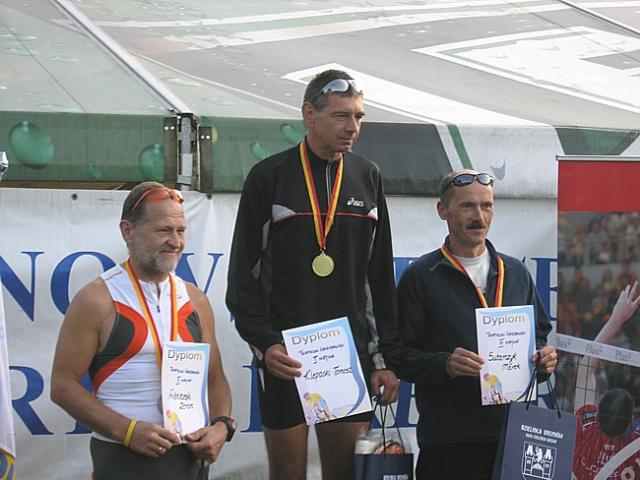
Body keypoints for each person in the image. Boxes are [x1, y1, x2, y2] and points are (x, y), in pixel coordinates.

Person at [226, 69, 402, 479]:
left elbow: (379, 279)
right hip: (287, 356)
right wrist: (265, 343)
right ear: (309, 114)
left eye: (358, 116)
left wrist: (384, 359)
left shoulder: (367, 176)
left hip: (348, 356)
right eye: (341, 116)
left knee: (343, 472)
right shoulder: (269, 176)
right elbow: (243, 277)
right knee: (287, 472)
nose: (353, 127)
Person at [50, 182, 233, 480]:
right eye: (163, 230)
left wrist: (222, 426)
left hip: (190, 458)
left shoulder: (195, 299)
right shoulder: (97, 299)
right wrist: (127, 430)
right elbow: (62, 386)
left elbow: (215, 379)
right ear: (128, 232)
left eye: (181, 230)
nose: (175, 242)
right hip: (124, 458)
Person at [396, 169, 558, 480]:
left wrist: (544, 359)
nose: (479, 216)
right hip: (449, 441)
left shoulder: (516, 272)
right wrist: (444, 364)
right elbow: (400, 356)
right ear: (443, 210)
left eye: (487, 206)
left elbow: (538, 336)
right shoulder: (421, 276)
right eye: (468, 206)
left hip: (512, 434)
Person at [573, 281, 640, 479]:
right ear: (631, 422)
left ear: (598, 414)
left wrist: (615, 320)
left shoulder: (585, 433)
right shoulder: (635, 448)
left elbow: (585, 369)